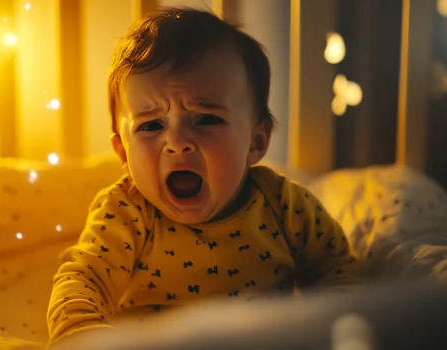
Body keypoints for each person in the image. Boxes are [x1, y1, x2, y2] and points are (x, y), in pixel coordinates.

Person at [46, 7, 359, 347]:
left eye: (206, 120)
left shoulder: (284, 205)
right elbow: (83, 281)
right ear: (122, 151)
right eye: (151, 125)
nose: (177, 144)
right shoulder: (125, 212)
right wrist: (84, 337)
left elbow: (336, 269)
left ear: (256, 142)